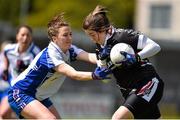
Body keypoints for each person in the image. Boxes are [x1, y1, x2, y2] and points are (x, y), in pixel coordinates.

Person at [7, 13, 111, 119]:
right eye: (65, 35)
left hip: (39, 97)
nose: (69, 38)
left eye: (70, 34)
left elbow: (88, 56)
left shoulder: (69, 49)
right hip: (21, 93)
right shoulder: (51, 55)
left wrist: (104, 57)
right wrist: (94, 75)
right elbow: (73, 74)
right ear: (54, 38)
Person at [82, 5, 164, 119]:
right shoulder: (100, 46)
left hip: (148, 84)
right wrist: (102, 67)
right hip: (129, 92)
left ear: (102, 30)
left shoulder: (123, 36)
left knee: (117, 118)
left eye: (92, 34)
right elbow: (106, 76)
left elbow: (155, 46)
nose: (91, 39)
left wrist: (137, 57)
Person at [0, 25, 41, 119]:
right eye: (22, 35)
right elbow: (6, 57)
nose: (25, 38)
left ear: (31, 38)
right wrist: (6, 69)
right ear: (17, 36)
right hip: (13, 89)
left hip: (29, 92)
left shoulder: (35, 53)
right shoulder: (8, 50)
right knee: (3, 114)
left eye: (28, 35)